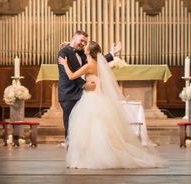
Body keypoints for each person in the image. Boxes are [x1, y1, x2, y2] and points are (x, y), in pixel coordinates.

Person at [58, 41, 165, 169]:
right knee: (101, 129)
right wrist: (112, 53)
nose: (83, 48)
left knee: (89, 128)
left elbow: (71, 76)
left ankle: (91, 157)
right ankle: (103, 154)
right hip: (99, 97)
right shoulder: (98, 64)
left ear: (87, 52)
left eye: (85, 47)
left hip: (90, 99)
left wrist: (65, 64)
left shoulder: (88, 66)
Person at [57, 30, 120, 139]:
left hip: (83, 95)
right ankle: (72, 154)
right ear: (74, 38)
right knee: (70, 127)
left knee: (82, 128)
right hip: (69, 94)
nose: (83, 44)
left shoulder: (82, 52)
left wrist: (111, 54)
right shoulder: (63, 53)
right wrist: (84, 84)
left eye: (85, 42)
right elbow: (69, 75)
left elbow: (95, 60)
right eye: (81, 40)